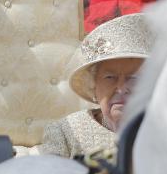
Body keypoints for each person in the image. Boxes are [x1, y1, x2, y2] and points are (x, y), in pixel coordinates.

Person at [39, 13, 153, 158]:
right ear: (93, 85)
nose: (121, 88)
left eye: (133, 78)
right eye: (110, 77)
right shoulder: (65, 132)